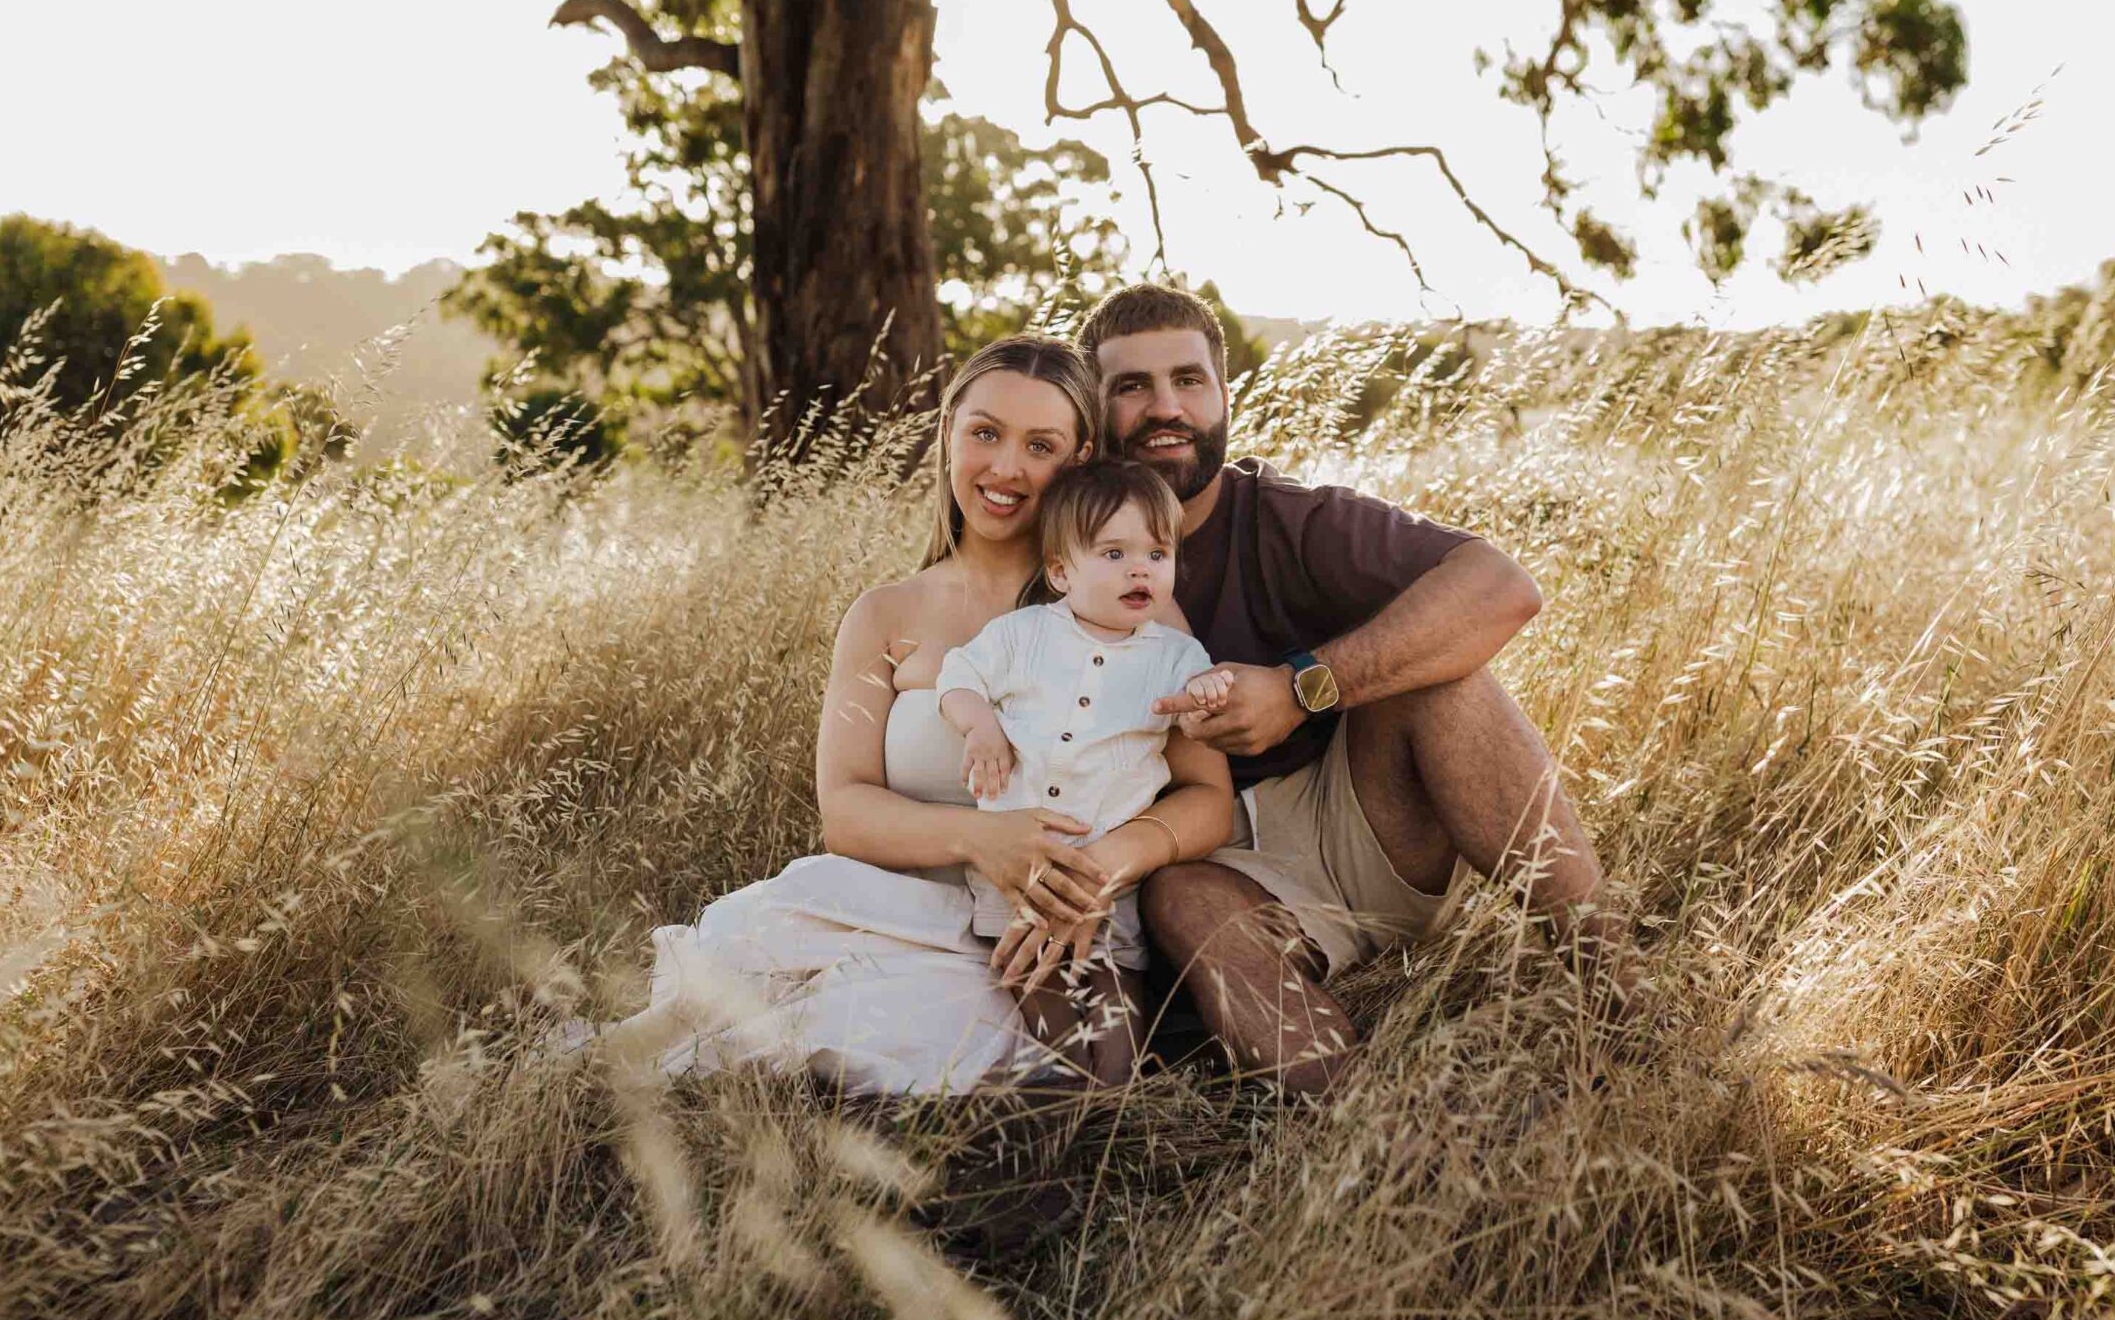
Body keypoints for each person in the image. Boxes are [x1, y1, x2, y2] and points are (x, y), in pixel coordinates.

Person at [588, 336, 1234, 1094]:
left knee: (1006, 1065)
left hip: (1058, 926)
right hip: (898, 907)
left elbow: (1207, 797)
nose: (1005, 469)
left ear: (1079, 456)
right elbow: (848, 810)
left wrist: (1099, 869)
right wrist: (982, 839)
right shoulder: (886, 614)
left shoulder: (1129, 606)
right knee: (743, 998)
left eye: (1041, 445)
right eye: (985, 433)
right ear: (948, 433)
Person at [1077, 283, 1634, 1096]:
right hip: (1203, 863)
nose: (1167, 408)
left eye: (1188, 381)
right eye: (1132, 387)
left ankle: (1624, 995)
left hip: (1363, 825)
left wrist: (1304, 687)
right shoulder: (1060, 548)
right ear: (1093, 413)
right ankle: (1375, 1136)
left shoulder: (1288, 519)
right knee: (1180, 896)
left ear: (1224, 395)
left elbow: (1502, 586)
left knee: (1441, 679)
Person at [936, 457, 1235, 1083]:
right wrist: (981, 726)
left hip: (1111, 888)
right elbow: (958, 677)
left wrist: (1211, 692)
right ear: (1061, 571)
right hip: (1019, 881)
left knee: (1116, 1025)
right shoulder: (1023, 636)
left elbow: (1203, 700)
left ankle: (1118, 1115)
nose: (1140, 569)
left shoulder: (1176, 654)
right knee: (1052, 1024)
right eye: (1114, 553)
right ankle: (1070, 1112)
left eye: (1158, 554)